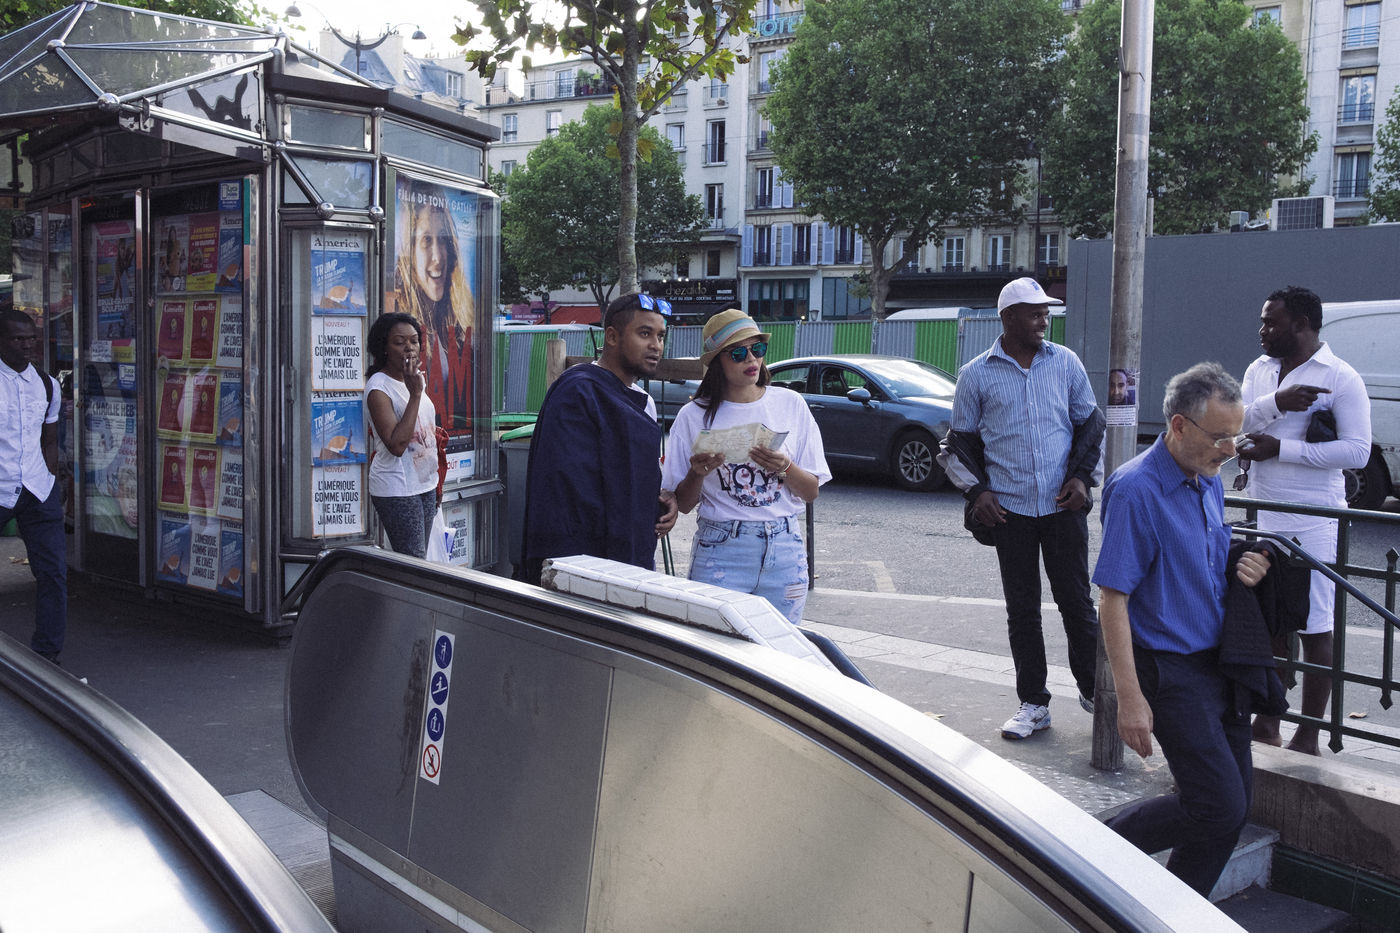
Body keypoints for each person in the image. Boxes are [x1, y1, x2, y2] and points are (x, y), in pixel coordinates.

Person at [1094, 361, 1273, 897]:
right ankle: (1090, 848)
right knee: (1217, 804)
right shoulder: (1136, 490)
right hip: (1170, 671)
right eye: (1219, 438)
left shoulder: (1207, 478)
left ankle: (1179, 912)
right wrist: (1129, 699)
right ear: (1178, 425)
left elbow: (1205, 559)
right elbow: (1113, 599)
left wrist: (1245, 561)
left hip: (1220, 664)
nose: (1229, 450)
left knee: (1233, 808)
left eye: (1235, 437)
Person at [944, 277, 1103, 740]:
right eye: (1035, 313)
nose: (1044, 320)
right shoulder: (975, 374)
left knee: (1077, 604)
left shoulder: (1065, 362)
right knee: (1023, 610)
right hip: (1009, 512)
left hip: (1062, 507)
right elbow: (958, 444)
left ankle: (1096, 692)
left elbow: (1090, 426)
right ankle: (1034, 703)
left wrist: (1081, 478)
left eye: (1046, 312)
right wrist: (978, 493)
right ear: (1008, 317)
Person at [1239, 286, 1371, 755]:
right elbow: (1238, 422)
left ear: (1301, 325)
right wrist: (1277, 401)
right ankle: (1268, 723)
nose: (1262, 330)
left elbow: (1357, 451)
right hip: (1264, 511)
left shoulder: (1341, 377)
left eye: (1271, 322)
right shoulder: (1259, 370)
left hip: (1315, 517)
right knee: (1272, 623)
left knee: (1315, 627)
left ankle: (1309, 735)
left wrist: (1283, 449)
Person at [662, 309, 831, 623]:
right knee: (716, 645)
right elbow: (683, 504)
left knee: (781, 645)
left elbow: (811, 492)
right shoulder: (693, 415)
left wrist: (785, 467)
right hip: (721, 546)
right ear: (717, 362)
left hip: (784, 547)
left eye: (758, 349)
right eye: (738, 353)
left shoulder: (790, 404)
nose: (751, 359)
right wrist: (697, 473)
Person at [522, 292, 678, 583]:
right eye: (645, 333)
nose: (656, 345)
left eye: (661, 336)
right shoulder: (578, 392)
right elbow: (568, 491)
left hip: (632, 559)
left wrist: (658, 501)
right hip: (581, 564)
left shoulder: (643, 402)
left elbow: (629, 477)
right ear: (612, 336)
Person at [0, 309, 66, 663]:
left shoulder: (47, 384)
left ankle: (48, 656)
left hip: (38, 491)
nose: (27, 346)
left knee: (53, 573)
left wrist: (50, 480)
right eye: (17, 339)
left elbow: (50, 439)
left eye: (31, 339)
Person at [394, 182, 474, 438]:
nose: (438, 256)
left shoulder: (460, 323)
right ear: (408, 250)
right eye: (426, 240)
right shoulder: (396, 323)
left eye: (444, 240)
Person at [364, 312, 439, 558]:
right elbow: (396, 445)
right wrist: (415, 394)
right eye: (399, 342)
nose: (409, 347)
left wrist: (437, 480)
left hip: (425, 483)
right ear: (384, 348)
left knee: (420, 560)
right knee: (413, 561)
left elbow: (426, 432)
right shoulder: (379, 387)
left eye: (414, 341)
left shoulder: (416, 380)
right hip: (397, 486)